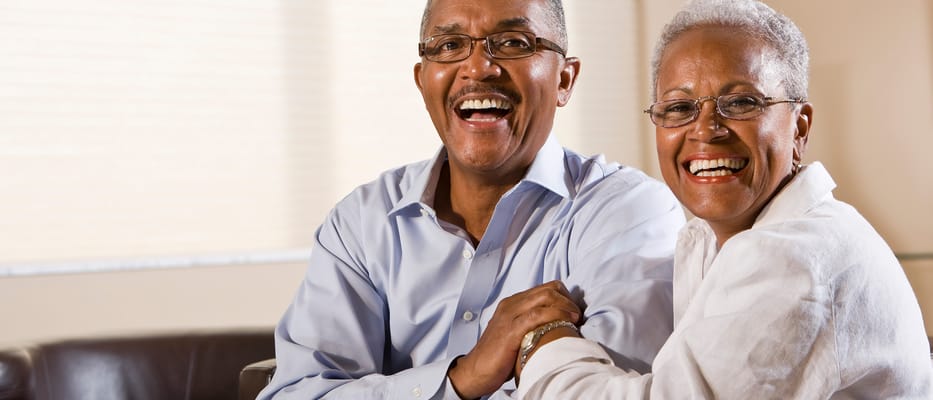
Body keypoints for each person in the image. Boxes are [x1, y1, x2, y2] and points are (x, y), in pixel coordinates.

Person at [257, 0, 686, 398]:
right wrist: (464, 376)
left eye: (514, 43)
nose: (479, 67)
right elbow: (296, 393)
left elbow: (601, 393)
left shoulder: (630, 213)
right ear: (422, 79)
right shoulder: (362, 224)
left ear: (564, 80)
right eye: (449, 45)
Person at [514, 0, 933, 398]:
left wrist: (542, 340)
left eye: (741, 103)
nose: (706, 129)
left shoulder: (794, 259)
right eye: (679, 108)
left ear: (800, 129)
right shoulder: (712, 240)